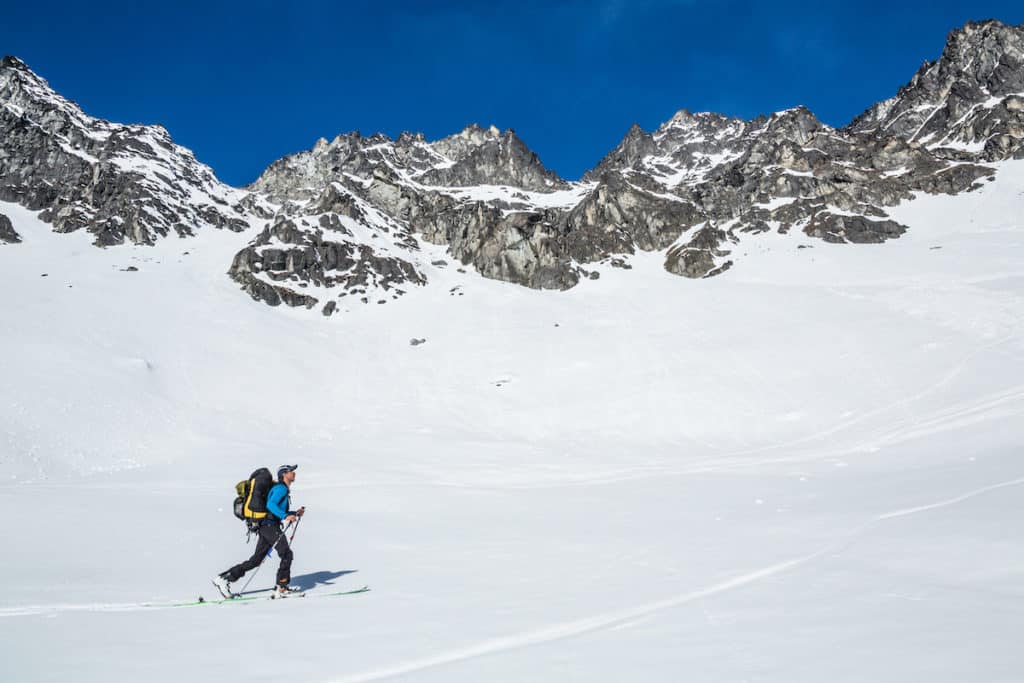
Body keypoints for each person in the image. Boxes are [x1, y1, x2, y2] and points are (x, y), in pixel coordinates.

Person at [213, 464, 306, 598]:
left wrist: (293, 513)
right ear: (284, 474)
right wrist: (286, 516)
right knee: (286, 554)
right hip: (269, 527)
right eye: (291, 471)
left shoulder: (280, 488)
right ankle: (282, 588)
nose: (294, 473)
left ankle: (224, 578)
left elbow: (275, 508)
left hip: (265, 526)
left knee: (256, 560)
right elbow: (270, 505)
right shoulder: (281, 489)